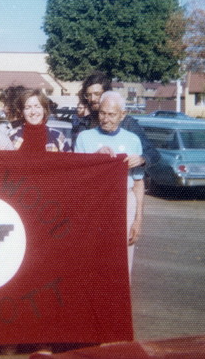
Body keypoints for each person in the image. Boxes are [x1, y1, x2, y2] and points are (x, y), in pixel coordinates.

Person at [75, 91, 145, 273]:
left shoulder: (133, 140)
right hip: (93, 204)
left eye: (112, 114)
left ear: (122, 115)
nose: (106, 119)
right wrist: (95, 159)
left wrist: (138, 219)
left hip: (124, 202)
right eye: (102, 113)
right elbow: (77, 179)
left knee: (122, 259)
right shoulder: (84, 138)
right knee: (90, 258)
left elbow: (138, 183)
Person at [76, 70, 160, 167]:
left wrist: (142, 159)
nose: (93, 99)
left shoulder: (127, 122)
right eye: (89, 95)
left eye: (97, 94)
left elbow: (153, 153)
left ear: (107, 93)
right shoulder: (84, 123)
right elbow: (78, 161)